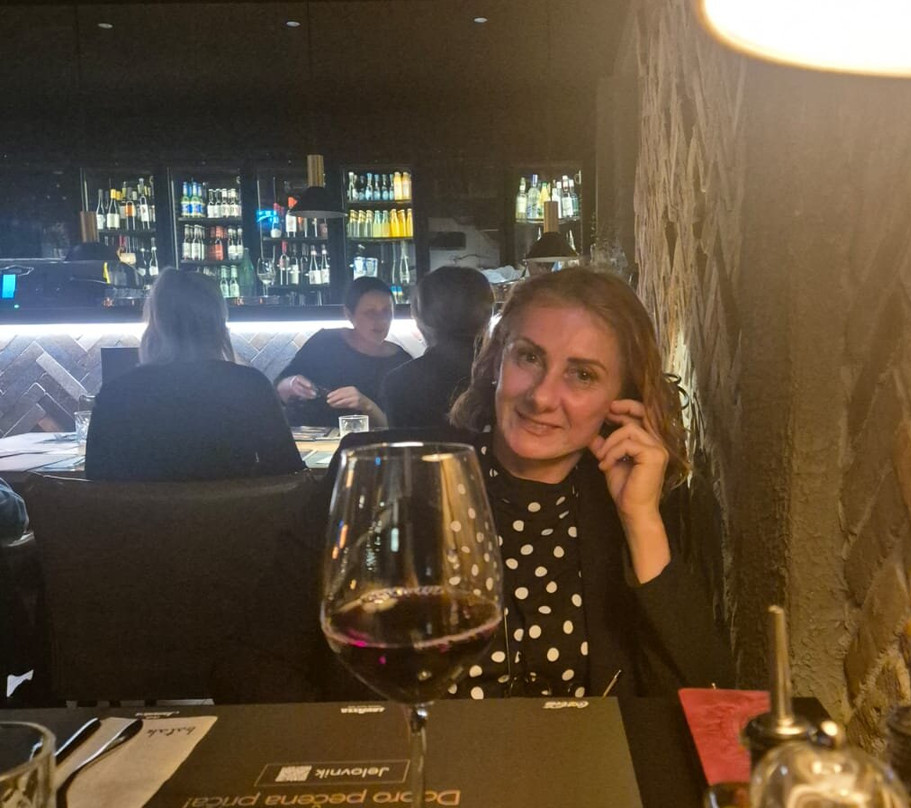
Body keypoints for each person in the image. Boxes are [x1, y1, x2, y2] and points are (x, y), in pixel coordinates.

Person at [215, 267, 730, 703]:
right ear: (496, 361)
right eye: (529, 357)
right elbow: (251, 666)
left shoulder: (638, 508)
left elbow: (705, 704)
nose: (542, 397)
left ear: (622, 400)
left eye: (583, 375)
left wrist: (641, 521)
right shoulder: (382, 477)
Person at [85, 268, 304, 482]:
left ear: (155, 323)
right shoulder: (250, 386)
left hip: (142, 508)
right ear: (219, 323)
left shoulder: (116, 393)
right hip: (233, 507)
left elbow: (96, 477)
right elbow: (287, 470)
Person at [276, 277, 411, 428]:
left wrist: (366, 405)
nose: (381, 320)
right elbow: (279, 390)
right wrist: (290, 384)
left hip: (367, 443)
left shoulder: (402, 363)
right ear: (349, 315)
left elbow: (399, 429)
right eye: (370, 312)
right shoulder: (324, 342)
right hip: (306, 438)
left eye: (386, 311)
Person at [380, 265, 493, 428]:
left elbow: (403, 444)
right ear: (487, 315)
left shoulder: (399, 383)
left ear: (419, 316)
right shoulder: (506, 373)